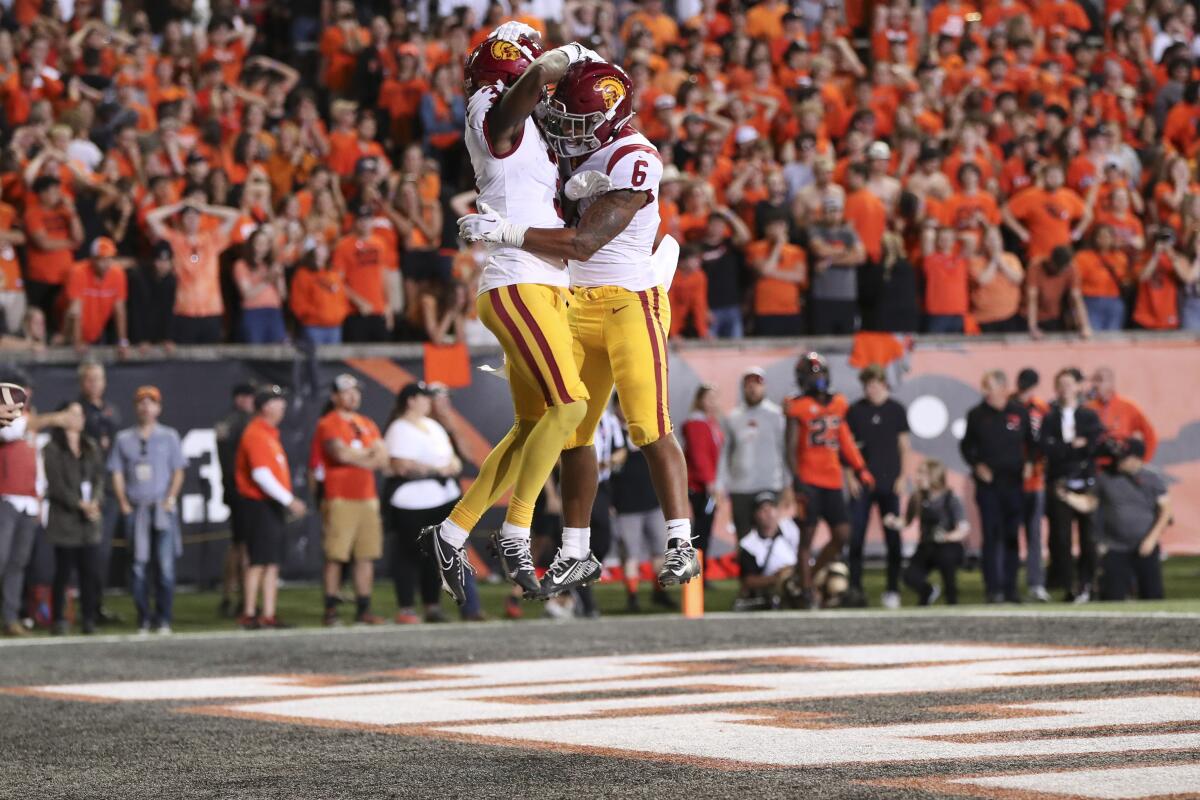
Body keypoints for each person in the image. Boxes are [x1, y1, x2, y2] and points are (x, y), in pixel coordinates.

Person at [459, 52, 703, 597]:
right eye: (563, 118)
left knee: (648, 424)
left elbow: (584, 241)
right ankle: (576, 551)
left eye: (576, 121)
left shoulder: (636, 157)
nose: (566, 131)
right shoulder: (575, 148)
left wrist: (507, 233)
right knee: (572, 431)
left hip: (629, 301)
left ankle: (682, 541)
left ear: (608, 117)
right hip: (574, 300)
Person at [421, 28, 602, 605]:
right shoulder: (493, 115)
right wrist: (564, 59)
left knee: (532, 426)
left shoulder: (530, 135)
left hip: (544, 283)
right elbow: (527, 87)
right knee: (570, 406)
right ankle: (516, 531)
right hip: (519, 284)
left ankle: (451, 533)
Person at [785, 352, 873, 608]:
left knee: (842, 534)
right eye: (813, 374)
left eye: (820, 373)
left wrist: (860, 468)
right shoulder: (796, 405)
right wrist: (796, 478)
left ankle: (807, 577)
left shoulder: (838, 403)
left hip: (833, 478)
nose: (818, 378)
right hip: (808, 479)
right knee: (807, 536)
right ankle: (806, 591)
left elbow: (844, 439)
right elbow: (789, 448)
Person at [383, 382, 464, 624]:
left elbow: (454, 459)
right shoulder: (399, 428)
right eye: (424, 398)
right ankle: (406, 607)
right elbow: (400, 465)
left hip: (442, 498)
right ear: (411, 400)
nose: (429, 402)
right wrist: (436, 470)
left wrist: (450, 467)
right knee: (409, 554)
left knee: (435, 555)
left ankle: (432, 605)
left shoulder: (433, 426)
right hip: (412, 502)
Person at [108, 386, 186, 634]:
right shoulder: (123, 439)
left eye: (151, 402)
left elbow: (178, 470)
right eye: (142, 402)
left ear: (159, 408)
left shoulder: (169, 436)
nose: (146, 407)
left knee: (165, 567)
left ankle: (164, 618)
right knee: (138, 566)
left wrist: (170, 499)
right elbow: (117, 472)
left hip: (161, 507)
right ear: (135, 406)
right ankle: (143, 617)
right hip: (137, 507)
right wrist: (123, 503)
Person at [314, 374, 388, 626]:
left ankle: (363, 609)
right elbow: (339, 454)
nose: (353, 395)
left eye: (356, 391)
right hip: (340, 496)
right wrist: (367, 453)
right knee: (336, 555)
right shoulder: (329, 422)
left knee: (365, 555)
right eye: (346, 391)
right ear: (335, 396)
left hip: (367, 497)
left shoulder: (366, 422)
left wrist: (359, 454)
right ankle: (330, 610)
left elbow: (382, 457)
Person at [1057, 440, 1169, 601]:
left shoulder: (1152, 478)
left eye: (1124, 458)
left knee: (1152, 596)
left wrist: (1152, 539)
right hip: (1116, 547)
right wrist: (1066, 496)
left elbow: (1165, 511)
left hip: (1145, 545)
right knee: (1112, 596)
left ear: (1137, 459)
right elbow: (1089, 504)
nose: (1118, 460)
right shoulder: (1105, 478)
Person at [235, 385, 307, 629]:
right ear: (265, 406)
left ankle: (267, 613)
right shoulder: (256, 433)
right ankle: (248, 612)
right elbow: (261, 475)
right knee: (258, 561)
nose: (283, 406)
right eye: (278, 401)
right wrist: (289, 500)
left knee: (271, 561)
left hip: (269, 505)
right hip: (258, 504)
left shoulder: (268, 433)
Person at [960, 369, 1033, 603]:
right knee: (991, 536)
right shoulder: (976, 415)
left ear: (1002, 387)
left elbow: (1032, 443)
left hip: (1013, 483)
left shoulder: (1019, 413)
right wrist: (977, 465)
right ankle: (992, 588)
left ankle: (1011, 588)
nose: (985, 392)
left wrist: (1030, 462)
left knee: (1012, 535)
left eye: (988, 386)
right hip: (989, 485)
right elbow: (966, 447)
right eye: (984, 386)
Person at [0, 385, 67, 636]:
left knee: (18, 563)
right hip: (6, 497)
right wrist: (55, 418)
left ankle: (10, 618)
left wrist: (39, 498)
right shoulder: (12, 421)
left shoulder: (31, 425)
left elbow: (36, 464)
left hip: (28, 501)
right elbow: (11, 430)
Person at [845, 364, 910, 609]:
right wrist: (849, 476)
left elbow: (904, 446)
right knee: (856, 537)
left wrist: (903, 476)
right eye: (867, 385)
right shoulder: (855, 411)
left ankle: (893, 588)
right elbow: (848, 447)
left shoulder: (896, 410)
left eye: (875, 384)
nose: (871, 389)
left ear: (884, 384)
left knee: (893, 537)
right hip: (863, 483)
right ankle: (855, 588)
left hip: (889, 482)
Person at [1040, 368, 1105, 603]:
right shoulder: (1050, 418)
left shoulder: (1089, 416)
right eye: (1060, 384)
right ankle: (1070, 585)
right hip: (1061, 484)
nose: (1064, 388)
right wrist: (1073, 446)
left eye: (1069, 383)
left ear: (1079, 386)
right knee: (1061, 538)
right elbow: (1047, 449)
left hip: (1085, 483)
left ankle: (1089, 583)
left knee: (1090, 538)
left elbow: (1094, 445)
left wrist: (1069, 447)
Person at [43, 402, 105, 635]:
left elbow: (100, 478)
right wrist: (78, 504)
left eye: (80, 414)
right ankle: (58, 619)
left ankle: (88, 618)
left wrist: (95, 503)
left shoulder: (91, 446)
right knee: (63, 572)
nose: (77, 418)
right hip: (65, 520)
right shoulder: (52, 448)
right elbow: (56, 485)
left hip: (89, 522)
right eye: (72, 414)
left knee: (89, 573)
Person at [145, 201, 241, 345]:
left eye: (195, 216)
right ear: (181, 220)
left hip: (211, 310)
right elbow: (151, 217)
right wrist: (179, 206)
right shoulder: (175, 240)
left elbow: (234, 215)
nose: (191, 220)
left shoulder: (211, 239)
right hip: (184, 310)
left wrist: (205, 208)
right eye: (187, 217)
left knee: (210, 360)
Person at [611, 411, 675, 612]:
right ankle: (632, 597)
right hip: (626, 506)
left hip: (652, 501)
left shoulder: (646, 429)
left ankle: (659, 592)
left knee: (660, 551)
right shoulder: (613, 434)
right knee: (631, 554)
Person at [717, 367, 788, 539]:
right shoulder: (733, 417)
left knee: (770, 536)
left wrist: (788, 483)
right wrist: (720, 484)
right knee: (744, 538)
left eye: (756, 384)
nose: (752, 388)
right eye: (748, 384)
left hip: (770, 483)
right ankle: (747, 567)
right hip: (741, 487)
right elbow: (725, 452)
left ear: (764, 387)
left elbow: (784, 450)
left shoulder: (776, 415)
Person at [894, 458, 969, 606]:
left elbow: (963, 528)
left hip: (947, 546)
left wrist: (947, 536)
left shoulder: (950, 499)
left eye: (922, 474)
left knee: (947, 561)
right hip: (927, 546)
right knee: (909, 576)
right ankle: (927, 592)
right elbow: (906, 521)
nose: (918, 477)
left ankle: (952, 600)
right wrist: (893, 522)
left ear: (934, 476)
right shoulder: (917, 497)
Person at [215, 383, 255, 618]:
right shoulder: (237, 422)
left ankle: (231, 595)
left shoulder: (233, 421)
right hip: (241, 491)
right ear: (238, 398)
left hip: (236, 490)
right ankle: (239, 597)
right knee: (242, 547)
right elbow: (231, 465)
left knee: (238, 545)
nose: (250, 401)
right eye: (247, 396)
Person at [1013, 368, 1052, 602]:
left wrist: (1034, 462)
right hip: (1011, 480)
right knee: (1008, 535)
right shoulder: (1009, 406)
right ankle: (1008, 585)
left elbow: (1042, 441)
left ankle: (1036, 582)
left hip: (1034, 480)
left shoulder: (1040, 408)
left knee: (1035, 535)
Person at [681, 384, 722, 578]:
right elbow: (699, 456)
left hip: (706, 485)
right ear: (699, 400)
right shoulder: (696, 423)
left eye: (715, 398)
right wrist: (710, 482)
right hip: (700, 487)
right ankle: (696, 576)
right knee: (700, 533)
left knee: (703, 532)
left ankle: (700, 575)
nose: (713, 402)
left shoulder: (710, 422)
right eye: (708, 398)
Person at [736, 491, 800, 610]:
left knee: (836, 579)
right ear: (755, 515)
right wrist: (777, 577)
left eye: (772, 507)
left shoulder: (791, 528)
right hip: (777, 584)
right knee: (789, 583)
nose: (769, 513)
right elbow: (748, 580)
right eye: (763, 509)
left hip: (799, 573)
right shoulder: (749, 544)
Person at [63, 237, 128, 351]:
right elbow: (75, 310)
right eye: (102, 259)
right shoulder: (78, 272)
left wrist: (122, 341)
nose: (106, 264)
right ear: (92, 259)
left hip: (97, 332)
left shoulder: (118, 274)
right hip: (70, 333)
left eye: (109, 259)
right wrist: (78, 341)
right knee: (72, 311)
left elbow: (119, 310)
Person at [1088, 367, 1157, 461]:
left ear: (1111, 383)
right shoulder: (1087, 408)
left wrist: (1143, 461)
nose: (1095, 384)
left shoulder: (1128, 407)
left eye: (1100, 380)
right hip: (1095, 466)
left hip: (1120, 465)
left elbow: (1150, 434)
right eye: (1094, 380)